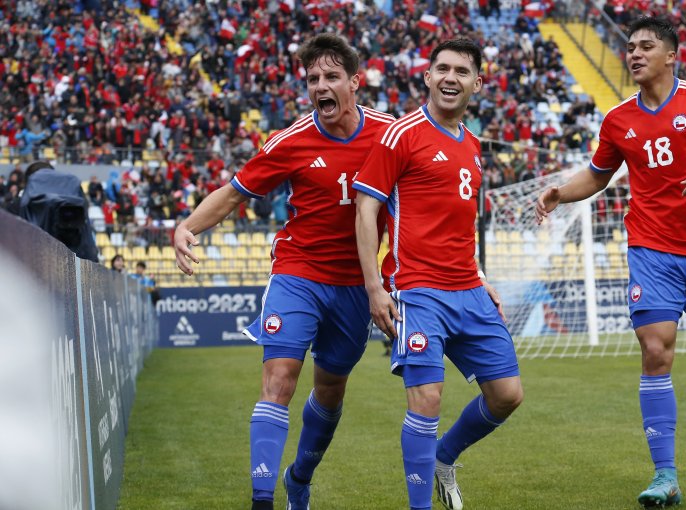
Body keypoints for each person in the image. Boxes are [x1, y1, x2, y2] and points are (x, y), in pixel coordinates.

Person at [534, 16, 686, 508]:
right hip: (651, 247)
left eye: (645, 46)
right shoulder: (618, 118)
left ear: (671, 56)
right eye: (630, 47)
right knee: (655, 348)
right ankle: (666, 475)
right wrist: (561, 193)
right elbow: (598, 176)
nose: (634, 54)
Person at [173, 34, 395, 510]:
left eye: (331, 76)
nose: (321, 86)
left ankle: (300, 476)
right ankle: (261, 500)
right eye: (313, 78)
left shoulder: (389, 135)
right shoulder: (290, 141)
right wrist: (187, 226)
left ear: (355, 83)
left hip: (357, 285)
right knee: (279, 377)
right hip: (298, 273)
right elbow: (233, 194)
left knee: (330, 390)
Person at [354, 37, 524, 510]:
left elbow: (460, 222)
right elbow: (366, 211)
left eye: (462, 71)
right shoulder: (401, 135)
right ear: (427, 77)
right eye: (442, 69)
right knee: (426, 398)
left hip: (468, 287)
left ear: (477, 83)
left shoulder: (471, 145)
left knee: (508, 394)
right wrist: (374, 287)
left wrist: (480, 272)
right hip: (418, 290)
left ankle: (444, 458)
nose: (451, 78)